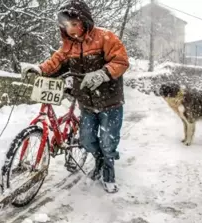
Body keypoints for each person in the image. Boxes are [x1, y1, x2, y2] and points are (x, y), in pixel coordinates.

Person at [21, 0, 129, 193]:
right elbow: (55, 63)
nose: (70, 29)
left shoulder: (105, 37)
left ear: (84, 21)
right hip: (86, 103)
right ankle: (99, 159)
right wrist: (38, 69)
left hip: (110, 102)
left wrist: (103, 73)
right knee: (87, 140)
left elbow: (121, 60)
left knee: (107, 141)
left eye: (74, 24)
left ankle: (108, 170)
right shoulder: (68, 46)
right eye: (65, 25)